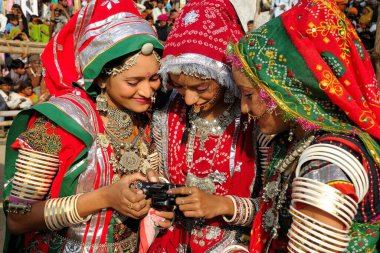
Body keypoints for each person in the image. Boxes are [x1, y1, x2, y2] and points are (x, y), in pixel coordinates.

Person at [2, 0, 165, 252]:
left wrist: (155, 191)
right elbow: (17, 218)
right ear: (101, 77)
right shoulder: (59, 123)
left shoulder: (143, 119)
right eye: (133, 82)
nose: (147, 90)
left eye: (154, 78)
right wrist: (105, 197)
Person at [231, 0, 380, 251]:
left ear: (290, 89)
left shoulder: (328, 161)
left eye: (248, 95)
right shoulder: (298, 137)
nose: (244, 109)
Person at [149, 1, 258, 252]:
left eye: (200, 89)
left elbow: (276, 208)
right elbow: (158, 169)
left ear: (225, 75)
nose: (188, 99)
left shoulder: (253, 117)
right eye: (179, 86)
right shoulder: (168, 111)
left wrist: (223, 206)